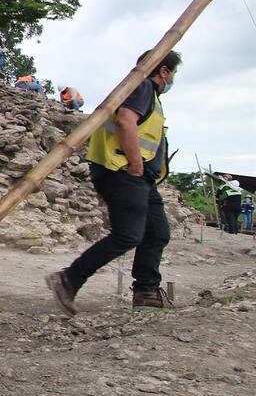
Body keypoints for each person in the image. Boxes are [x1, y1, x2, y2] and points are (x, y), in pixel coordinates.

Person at [47, 50, 180, 313]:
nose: (172, 79)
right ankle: (69, 279)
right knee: (128, 234)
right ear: (164, 71)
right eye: (173, 73)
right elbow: (125, 121)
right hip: (122, 170)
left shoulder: (146, 93)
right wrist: (135, 162)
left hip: (141, 178)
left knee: (157, 232)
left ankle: (146, 291)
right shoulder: (142, 86)